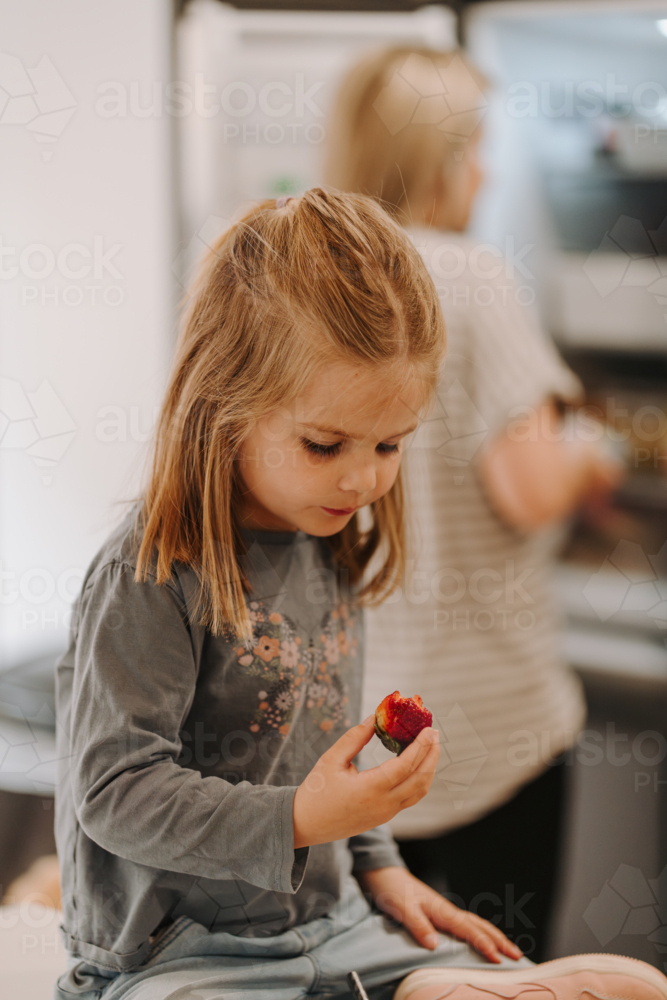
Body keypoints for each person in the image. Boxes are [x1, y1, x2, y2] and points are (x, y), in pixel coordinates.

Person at [51, 189, 655, 1000]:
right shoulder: (152, 576)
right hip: (174, 957)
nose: (364, 477)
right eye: (324, 443)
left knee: (625, 984)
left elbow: (323, 748)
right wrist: (302, 819)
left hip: (331, 931)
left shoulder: (328, 544)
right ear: (223, 404)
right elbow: (112, 793)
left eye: (390, 444)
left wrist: (379, 866)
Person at [325, 49, 625, 962]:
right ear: (438, 160)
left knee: (381, 971)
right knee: (503, 970)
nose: (487, 171)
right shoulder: (468, 275)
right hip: (490, 727)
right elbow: (528, 486)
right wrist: (598, 454)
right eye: (476, 149)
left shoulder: (321, 278)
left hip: (363, 728)